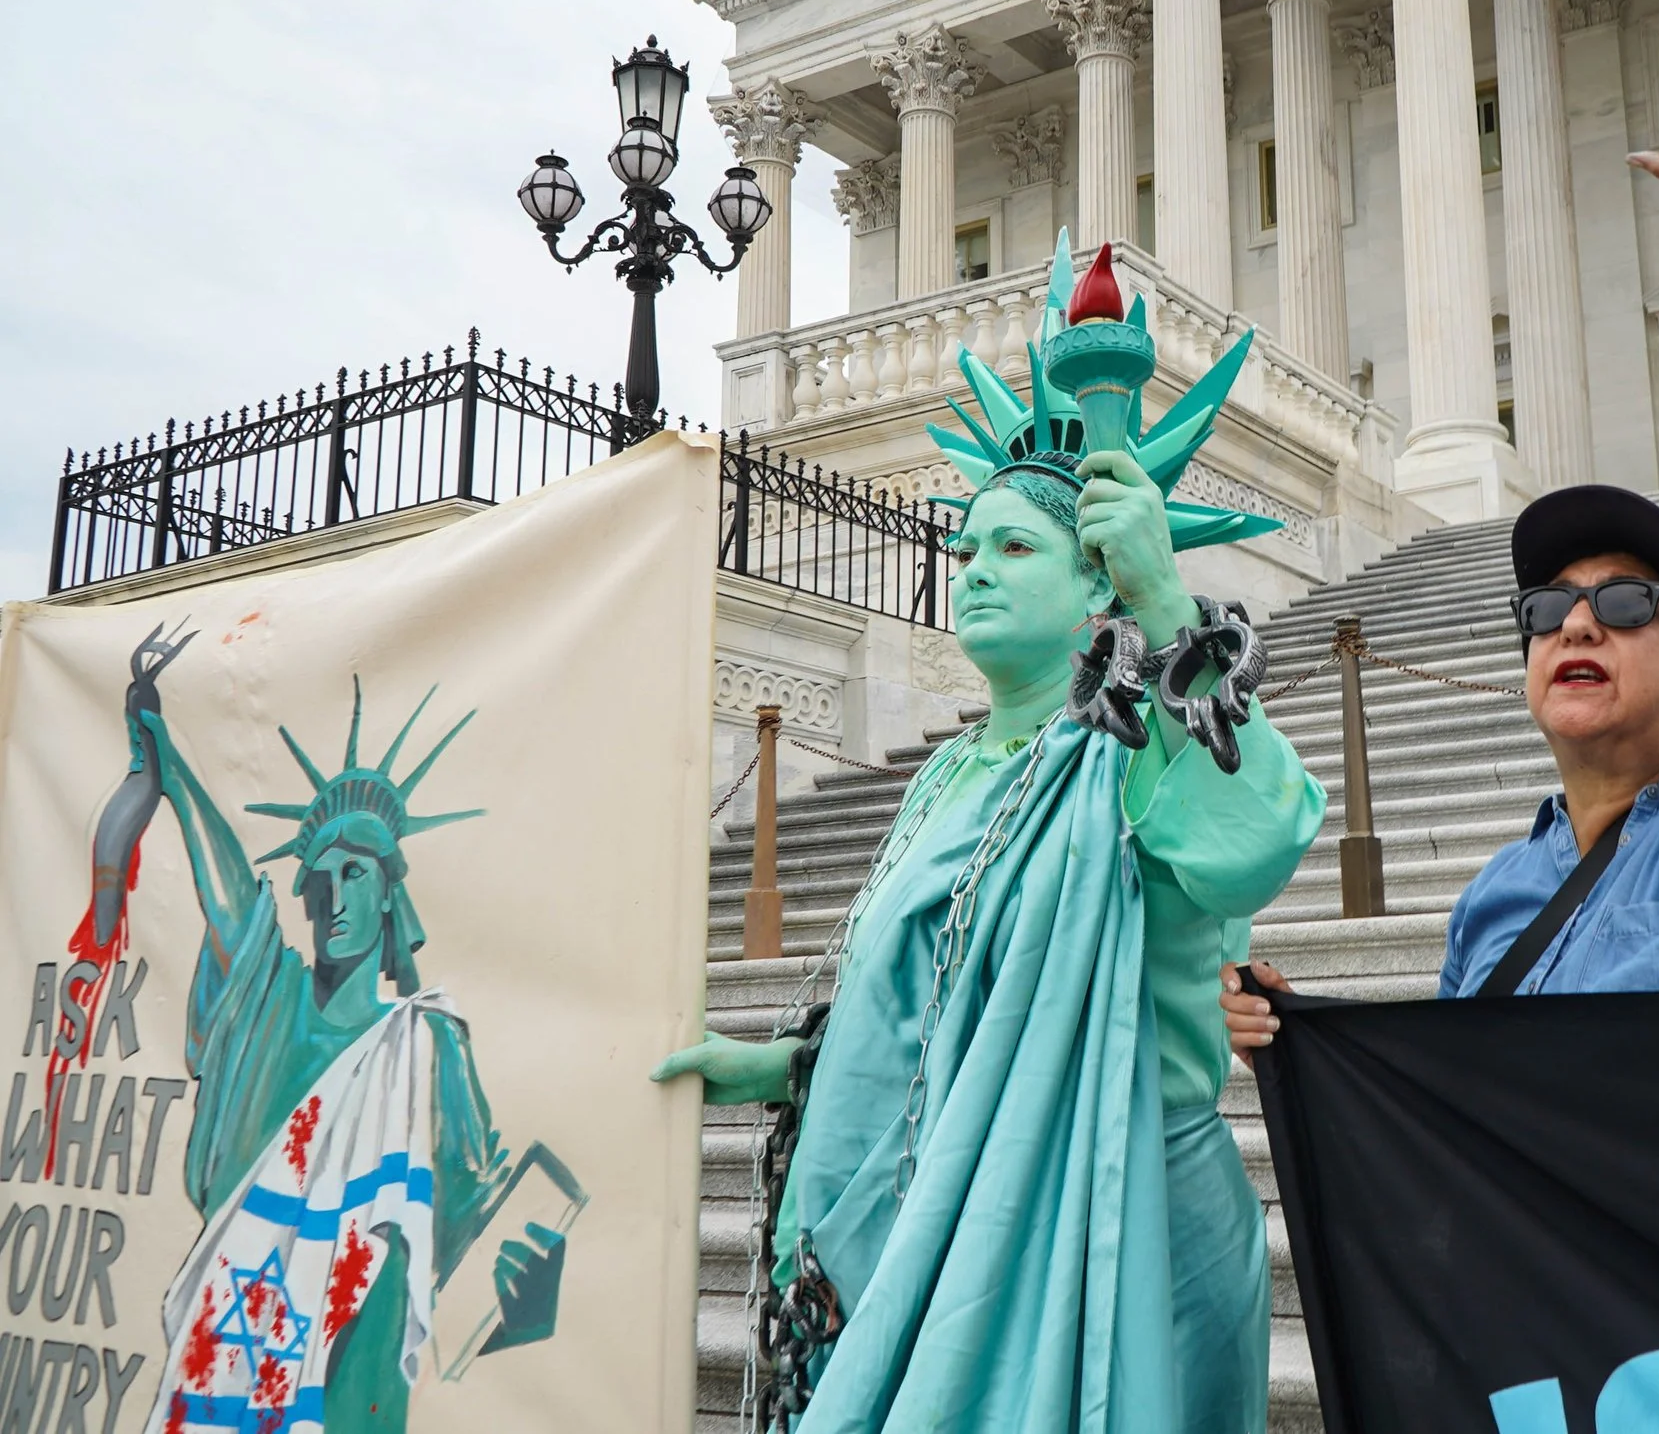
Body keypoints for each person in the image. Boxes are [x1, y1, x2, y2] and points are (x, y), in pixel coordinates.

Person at [655, 242, 1325, 1434]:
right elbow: (917, 993)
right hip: (932, 1221)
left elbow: (1256, 837)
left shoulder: (1143, 741)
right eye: (967, 547)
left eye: (1014, 548)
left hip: (1127, 1215)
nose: (971, 572)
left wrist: (1168, 605)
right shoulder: (948, 770)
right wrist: (789, 1066)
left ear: (1097, 577)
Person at [1224, 104, 1659, 1040]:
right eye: (1549, 606)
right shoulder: (1498, 897)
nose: (1576, 625)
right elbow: (1465, 1124)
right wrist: (1309, 1057)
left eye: (1621, 601)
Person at [124, 634, 575, 1434]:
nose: (333, 897)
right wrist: (167, 763)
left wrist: (528, 1291)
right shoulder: (272, 1009)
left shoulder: (428, 1044)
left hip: (360, 1383)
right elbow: (231, 895)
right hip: (234, 1350)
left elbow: (472, 1228)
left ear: (391, 895)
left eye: (356, 874)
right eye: (319, 880)